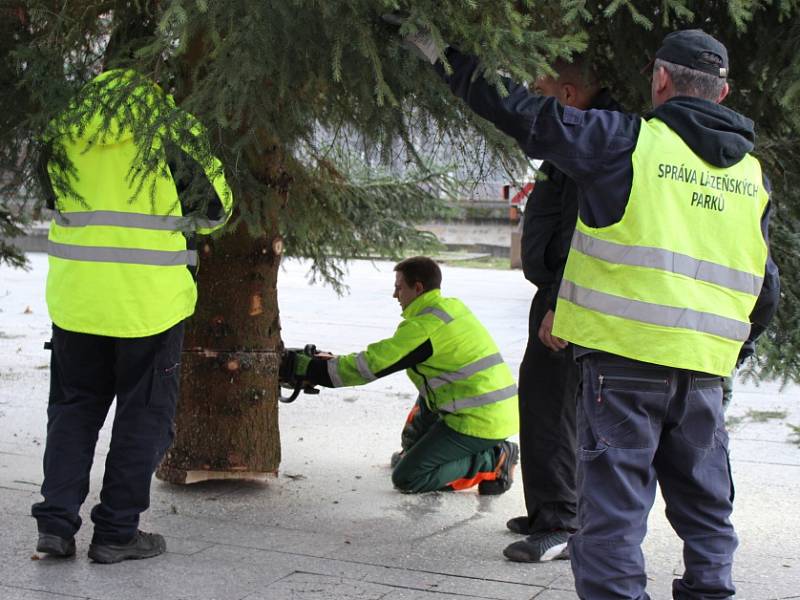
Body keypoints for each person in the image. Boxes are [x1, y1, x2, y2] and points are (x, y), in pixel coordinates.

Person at [391, 24, 780, 599]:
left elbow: (521, 111)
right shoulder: (752, 180)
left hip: (623, 372)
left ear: (661, 79)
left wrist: (438, 50)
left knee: (611, 523)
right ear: (721, 94)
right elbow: (765, 292)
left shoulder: (625, 143)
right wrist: (725, 353)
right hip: (703, 375)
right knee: (707, 513)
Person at [32, 68, 233, 563]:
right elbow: (216, 210)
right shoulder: (169, 130)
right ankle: (117, 533)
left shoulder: (61, 130)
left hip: (78, 300)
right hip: (150, 305)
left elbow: (52, 200)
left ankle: (55, 527)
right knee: (143, 416)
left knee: (73, 410)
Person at [505, 60, 622, 564]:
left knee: (554, 408)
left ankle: (561, 523)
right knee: (541, 400)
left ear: (569, 96)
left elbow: (584, 233)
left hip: (567, 298)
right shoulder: (577, 141)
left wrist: (561, 302)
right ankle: (547, 508)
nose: (535, 91)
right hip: (557, 293)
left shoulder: (589, 146)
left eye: (543, 88)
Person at [293, 256, 520, 495]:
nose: (394, 295)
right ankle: (419, 453)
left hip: (479, 422)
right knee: (418, 424)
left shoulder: (424, 327)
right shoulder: (450, 307)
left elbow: (371, 365)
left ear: (418, 288)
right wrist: (334, 361)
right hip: (491, 407)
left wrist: (312, 370)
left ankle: (494, 460)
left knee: (408, 477)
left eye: (398, 287)